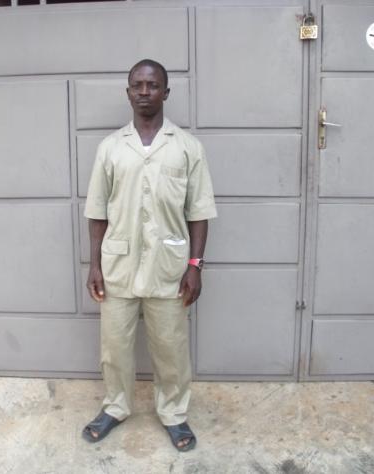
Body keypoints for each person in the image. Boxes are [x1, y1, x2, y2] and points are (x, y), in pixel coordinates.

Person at [81, 59, 217, 452]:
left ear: (165, 92)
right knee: (115, 346)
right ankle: (115, 406)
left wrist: (195, 266)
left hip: (168, 267)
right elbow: (97, 211)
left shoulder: (187, 147)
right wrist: (94, 264)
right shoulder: (110, 148)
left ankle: (174, 413)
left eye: (153, 85)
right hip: (118, 265)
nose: (144, 92)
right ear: (128, 92)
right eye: (137, 85)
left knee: (170, 346)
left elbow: (199, 211)